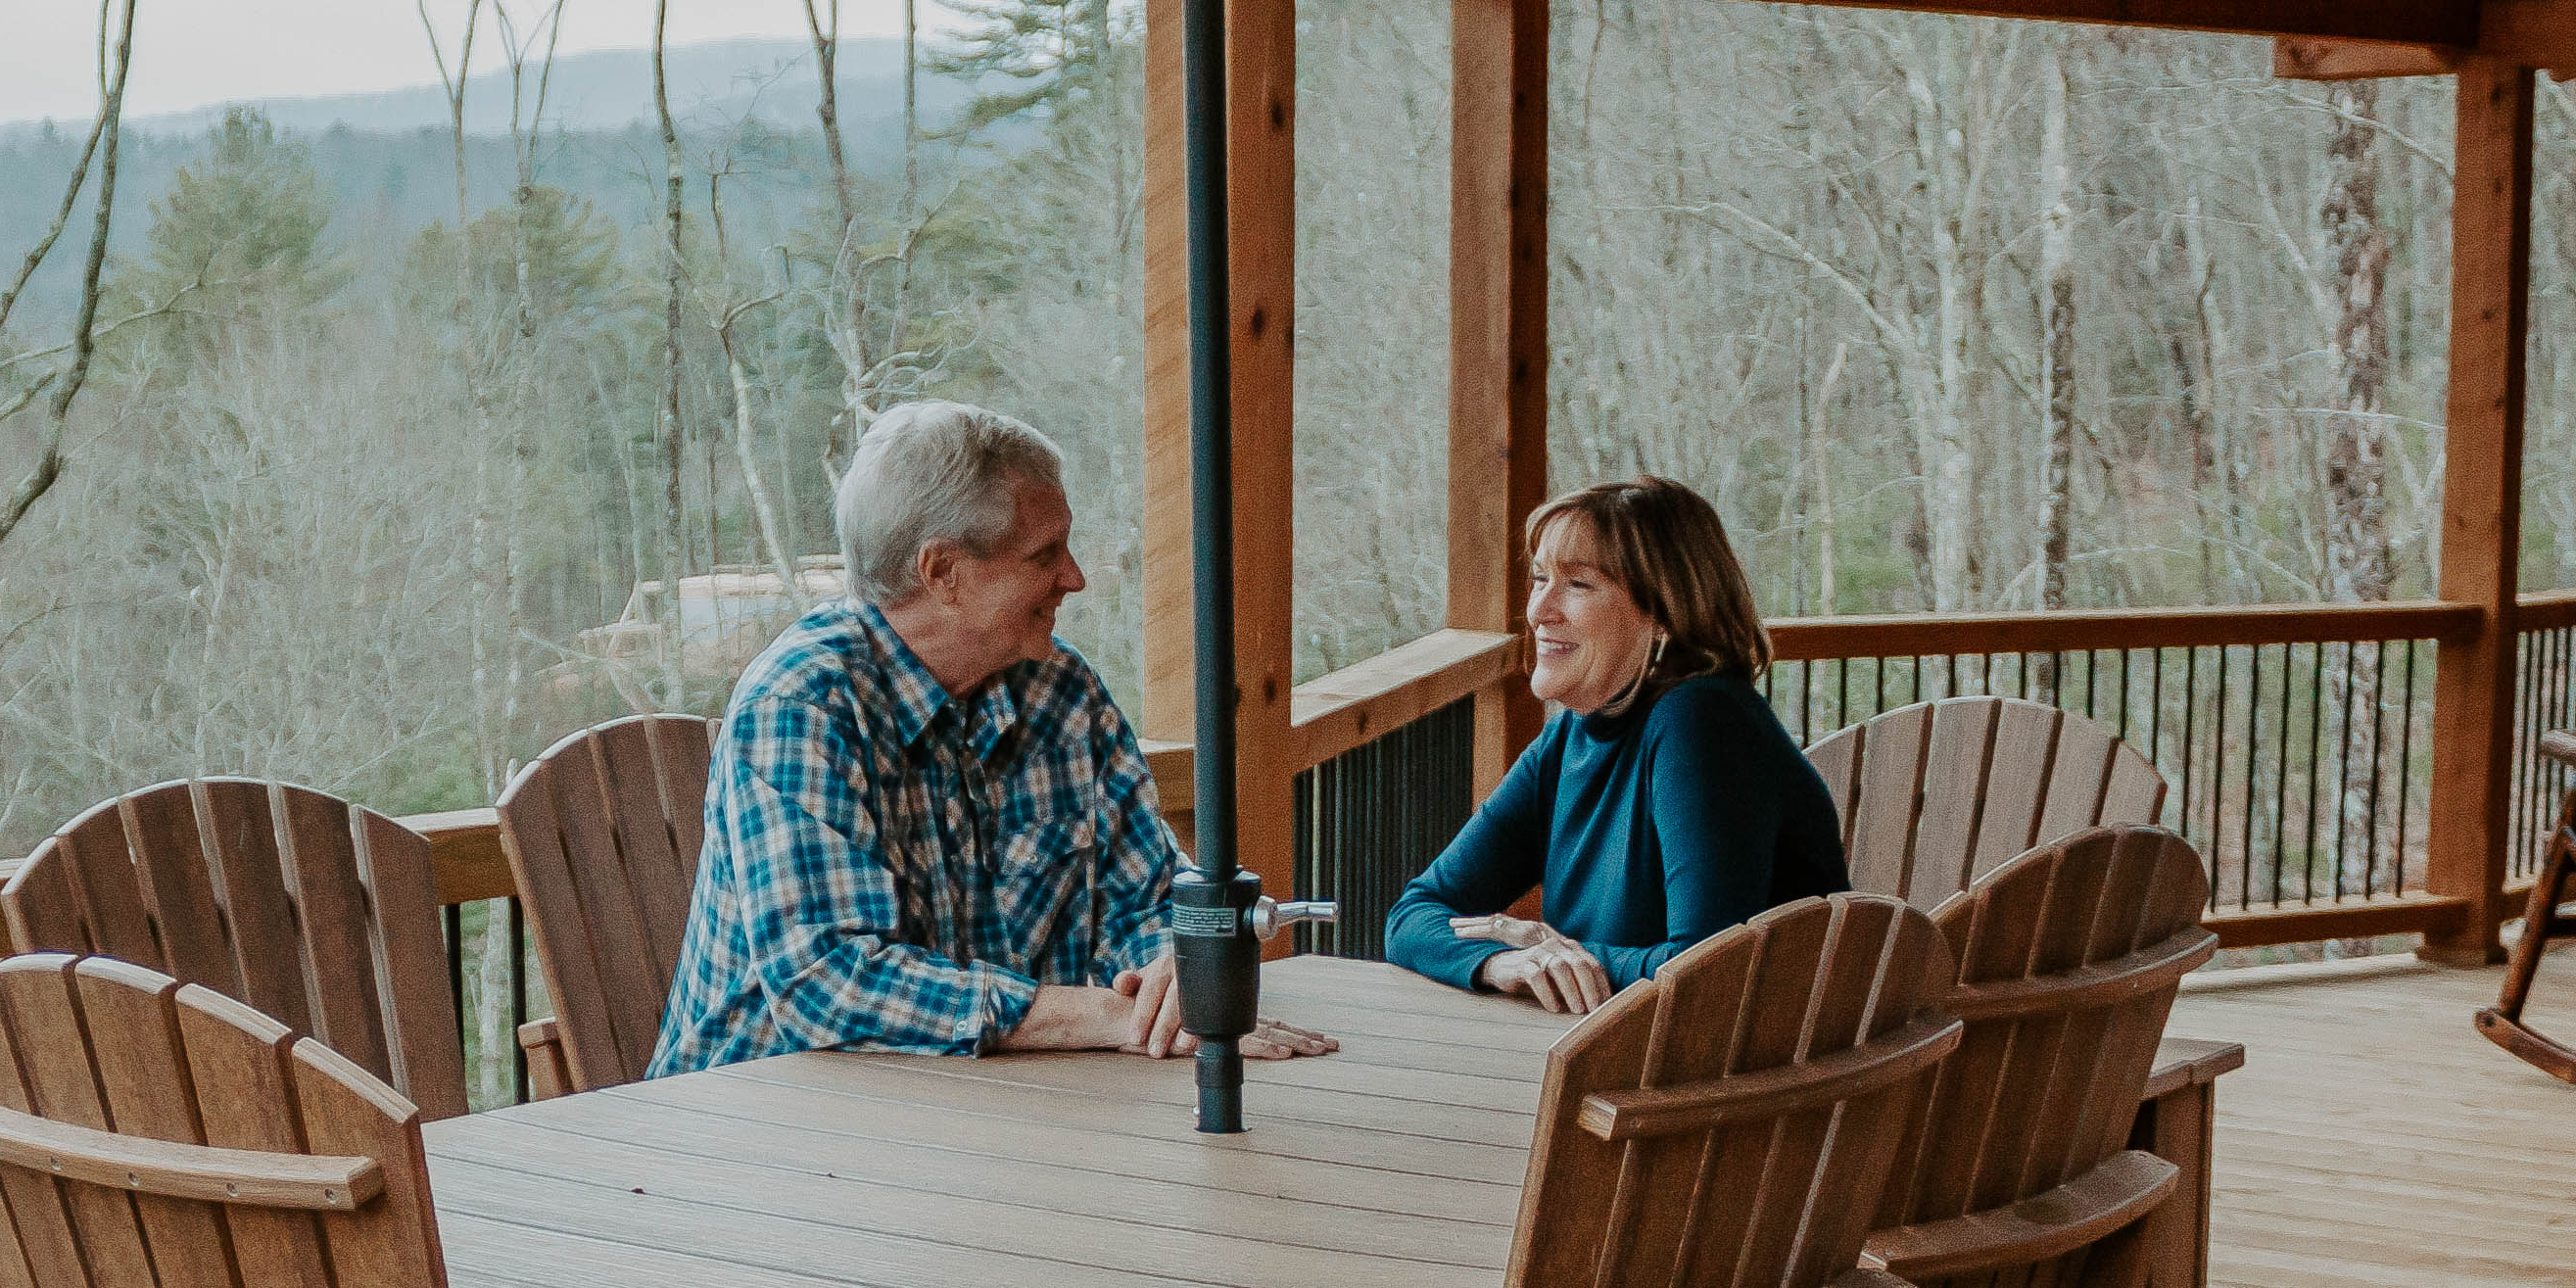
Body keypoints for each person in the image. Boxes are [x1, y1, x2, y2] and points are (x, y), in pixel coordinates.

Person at [649, 400, 1340, 1075]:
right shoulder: (802, 705)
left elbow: (1150, 898)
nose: (1075, 577)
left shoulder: (1063, 693)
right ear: (943, 571)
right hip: (753, 1130)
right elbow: (829, 984)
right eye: (1044, 555)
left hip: (985, 1116)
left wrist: (1171, 976)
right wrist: (1106, 1016)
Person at [1384, 477, 1844, 1016]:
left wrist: (1557, 953)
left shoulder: (1702, 721)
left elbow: (1709, 968)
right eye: (1539, 580)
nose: (1539, 611)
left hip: (1748, 1076)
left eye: (1577, 584)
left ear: (1664, 613)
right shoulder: (1569, 737)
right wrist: (1502, 962)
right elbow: (1415, 914)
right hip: (1626, 1055)